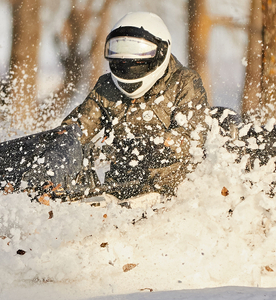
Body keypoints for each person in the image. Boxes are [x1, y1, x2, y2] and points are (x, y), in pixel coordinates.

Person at [62, 12, 209, 198]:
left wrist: (149, 143)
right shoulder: (107, 87)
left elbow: (191, 139)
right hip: (119, 191)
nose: (129, 66)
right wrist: (58, 153)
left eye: (138, 60)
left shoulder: (185, 82)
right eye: (122, 60)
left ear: (161, 52)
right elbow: (77, 129)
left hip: (176, 194)